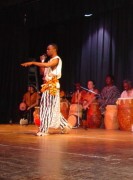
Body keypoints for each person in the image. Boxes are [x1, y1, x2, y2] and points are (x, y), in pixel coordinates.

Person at [21, 43, 71, 135]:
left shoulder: (56, 59)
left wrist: (33, 63)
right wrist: (42, 61)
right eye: (47, 49)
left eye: (49, 49)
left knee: (46, 108)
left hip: (52, 87)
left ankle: (44, 130)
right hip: (47, 86)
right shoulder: (50, 60)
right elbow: (42, 72)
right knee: (50, 108)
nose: (47, 51)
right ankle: (65, 126)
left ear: (54, 49)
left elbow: (48, 65)